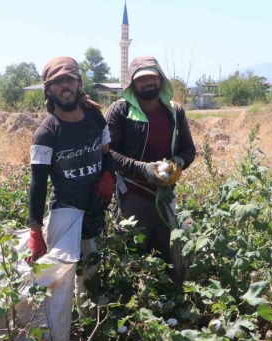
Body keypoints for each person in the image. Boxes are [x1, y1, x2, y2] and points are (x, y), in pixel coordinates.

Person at [28, 56, 115, 316]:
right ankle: (60, 330)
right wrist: (35, 230)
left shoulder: (95, 118)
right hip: (65, 212)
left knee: (91, 273)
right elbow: (38, 182)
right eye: (58, 82)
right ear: (49, 90)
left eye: (70, 79)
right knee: (59, 277)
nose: (65, 86)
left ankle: (90, 325)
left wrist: (109, 175)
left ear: (78, 83)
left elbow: (107, 153)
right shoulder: (47, 131)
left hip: (94, 209)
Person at [106, 56, 196, 284]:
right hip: (132, 195)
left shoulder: (175, 112)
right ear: (132, 84)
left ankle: (169, 310)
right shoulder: (120, 111)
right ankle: (135, 312)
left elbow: (189, 150)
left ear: (160, 80)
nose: (147, 82)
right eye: (141, 79)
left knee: (168, 254)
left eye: (152, 77)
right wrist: (142, 168)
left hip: (165, 195)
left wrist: (177, 163)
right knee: (134, 257)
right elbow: (107, 154)